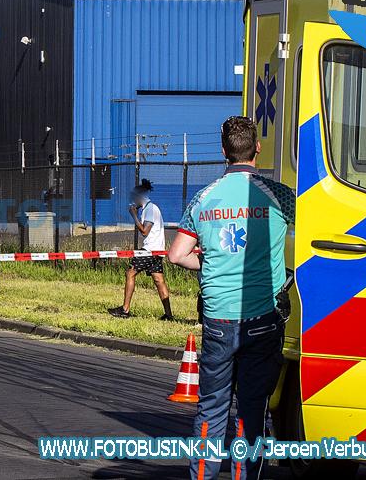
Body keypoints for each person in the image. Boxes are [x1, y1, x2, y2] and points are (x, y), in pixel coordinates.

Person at [168, 116, 295, 480]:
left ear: (224, 152)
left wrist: (207, 263)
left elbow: (176, 255)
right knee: (251, 411)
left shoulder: (203, 199)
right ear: (257, 148)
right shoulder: (280, 196)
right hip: (261, 320)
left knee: (211, 409)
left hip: (219, 320)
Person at [108, 179, 173, 320]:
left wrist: (134, 215)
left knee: (130, 273)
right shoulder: (150, 208)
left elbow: (144, 231)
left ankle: (125, 310)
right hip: (157, 250)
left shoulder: (150, 209)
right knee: (158, 280)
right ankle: (168, 314)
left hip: (149, 250)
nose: (133, 202)